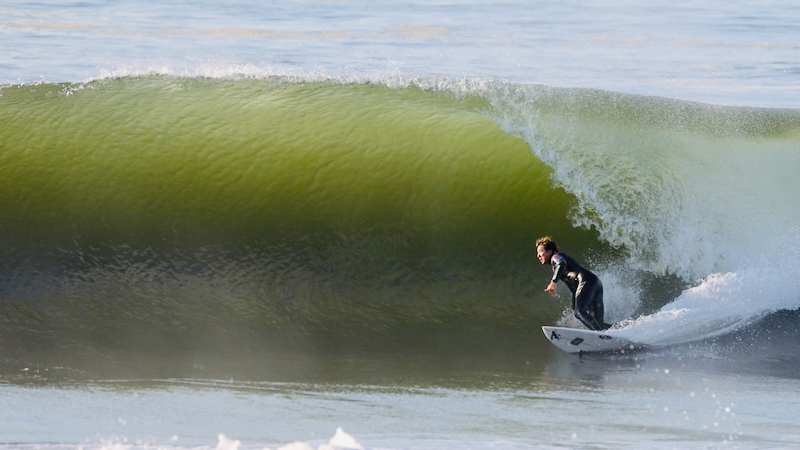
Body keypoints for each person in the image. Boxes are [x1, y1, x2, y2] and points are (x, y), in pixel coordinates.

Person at [536, 236, 611, 331]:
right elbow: (576, 290)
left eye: (540, 251)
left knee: (580, 312)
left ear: (549, 251)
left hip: (586, 280)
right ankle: (623, 332)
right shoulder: (558, 262)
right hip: (595, 282)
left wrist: (553, 282)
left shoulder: (556, 257)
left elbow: (561, 263)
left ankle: (601, 336)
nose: (538, 255)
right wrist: (573, 311)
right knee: (598, 323)